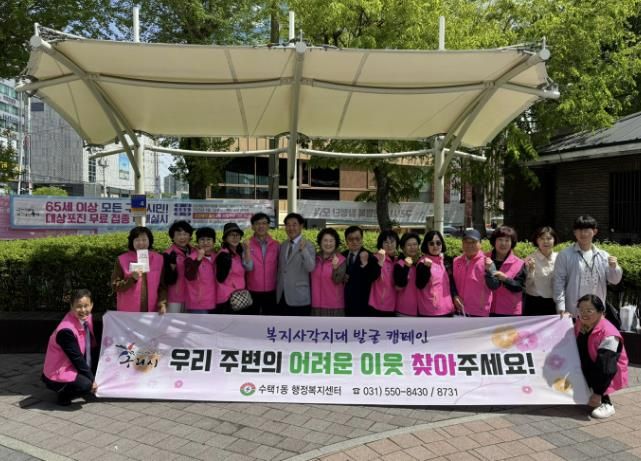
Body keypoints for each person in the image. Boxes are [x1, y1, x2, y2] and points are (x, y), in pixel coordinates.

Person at [553, 215, 623, 316]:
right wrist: (561, 307)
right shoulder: (565, 255)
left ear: (595, 231)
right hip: (573, 310)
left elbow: (614, 280)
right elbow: (559, 282)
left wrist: (614, 268)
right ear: (574, 232)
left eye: (586, 230)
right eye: (579, 230)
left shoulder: (603, 256)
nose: (583, 233)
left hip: (597, 310)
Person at [575, 294, 628, 418]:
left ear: (600, 312)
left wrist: (598, 393)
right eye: (581, 310)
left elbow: (606, 367)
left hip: (607, 369)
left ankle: (606, 403)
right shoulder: (580, 323)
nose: (584, 314)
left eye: (589, 310)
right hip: (589, 364)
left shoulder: (609, 334)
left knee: (601, 370)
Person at [42, 289, 97, 406]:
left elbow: (91, 345)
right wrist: (92, 380)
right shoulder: (66, 331)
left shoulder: (88, 317)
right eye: (79, 306)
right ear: (71, 306)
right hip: (58, 371)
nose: (83, 310)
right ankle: (63, 393)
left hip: (71, 364)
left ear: (92, 305)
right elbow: (76, 358)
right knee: (86, 386)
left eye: (86, 306)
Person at [111, 226, 167, 313]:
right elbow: (115, 286)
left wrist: (162, 303)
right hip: (128, 310)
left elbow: (162, 286)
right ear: (132, 242)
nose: (141, 243)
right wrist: (132, 279)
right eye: (137, 240)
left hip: (152, 310)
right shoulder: (122, 259)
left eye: (144, 240)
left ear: (149, 240)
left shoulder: (159, 259)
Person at [276, 213, 316, 316]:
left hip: (299, 297)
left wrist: (303, 250)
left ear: (301, 226)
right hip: (282, 295)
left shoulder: (308, 245)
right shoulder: (283, 245)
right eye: (288, 225)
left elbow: (311, 267)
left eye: (294, 225)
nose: (291, 228)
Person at [452, 229, 495, 317]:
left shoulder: (487, 262)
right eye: (466, 242)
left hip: (479, 313)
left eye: (473, 242)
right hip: (459, 311)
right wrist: (455, 296)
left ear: (480, 244)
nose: (469, 245)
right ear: (462, 243)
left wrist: (489, 271)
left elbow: (494, 285)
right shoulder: (456, 261)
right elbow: (452, 283)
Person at [244, 212, 279, 315]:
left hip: (271, 290)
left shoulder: (276, 245)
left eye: (264, 223)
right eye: (257, 223)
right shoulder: (246, 244)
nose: (261, 226)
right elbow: (248, 267)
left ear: (268, 225)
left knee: (270, 320)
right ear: (252, 226)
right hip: (252, 290)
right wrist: (247, 250)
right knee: (253, 320)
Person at [487, 225, 526, 316]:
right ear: (494, 241)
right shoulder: (484, 259)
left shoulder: (519, 263)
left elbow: (520, 287)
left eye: (507, 240)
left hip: (509, 311)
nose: (503, 243)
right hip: (485, 309)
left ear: (512, 243)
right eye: (500, 239)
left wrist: (505, 279)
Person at [416, 230, 455, 317]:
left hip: (448, 310)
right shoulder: (423, 263)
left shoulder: (444, 261)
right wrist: (426, 268)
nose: (435, 246)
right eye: (431, 243)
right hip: (431, 312)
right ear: (426, 245)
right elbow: (420, 285)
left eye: (438, 243)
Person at [343, 225, 379, 317]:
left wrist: (365, 265)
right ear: (346, 241)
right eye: (351, 239)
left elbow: (374, 276)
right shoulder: (342, 256)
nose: (354, 241)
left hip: (362, 305)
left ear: (362, 239)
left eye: (357, 238)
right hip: (343, 303)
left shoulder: (370, 256)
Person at [310, 228, 346, 316]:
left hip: (334, 307)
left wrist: (335, 268)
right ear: (320, 242)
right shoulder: (314, 258)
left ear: (336, 242)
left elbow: (337, 280)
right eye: (325, 240)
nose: (328, 244)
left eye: (331, 241)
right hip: (315, 305)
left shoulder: (341, 259)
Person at [523, 226, 558, 315]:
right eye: (542, 238)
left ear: (554, 240)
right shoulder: (530, 259)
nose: (545, 241)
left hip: (554, 302)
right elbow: (526, 285)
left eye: (549, 238)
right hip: (534, 303)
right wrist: (531, 270)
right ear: (537, 241)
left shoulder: (560, 258)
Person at [216, 222, 250, 314]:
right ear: (225, 238)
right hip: (227, 300)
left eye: (237, 235)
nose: (235, 237)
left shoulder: (237, 254)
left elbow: (249, 267)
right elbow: (220, 278)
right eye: (231, 235)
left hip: (238, 297)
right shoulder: (224, 255)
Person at [163, 220, 194, 313]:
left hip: (192, 296)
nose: (182, 237)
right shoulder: (168, 254)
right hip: (174, 297)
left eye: (185, 234)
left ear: (190, 236)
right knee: (172, 321)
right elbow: (167, 279)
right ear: (172, 237)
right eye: (178, 234)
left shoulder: (195, 252)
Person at [184, 227, 217, 314]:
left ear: (214, 242)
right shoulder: (191, 258)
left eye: (209, 239)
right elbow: (189, 276)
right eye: (202, 239)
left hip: (215, 302)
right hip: (198, 304)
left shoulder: (217, 257)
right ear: (197, 241)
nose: (205, 243)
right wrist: (198, 260)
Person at [368, 230, 399, 317]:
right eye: (386, 242)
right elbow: (371, 277)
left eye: (392, 242)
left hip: (394, 306)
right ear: (381, 244)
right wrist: (380, 262)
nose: (389, 245)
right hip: (377, 306)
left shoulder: (398, 260)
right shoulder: (375, 258)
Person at [394, 232, 421, 316]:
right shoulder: (399, 264)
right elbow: (398, 287)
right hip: (404, 311)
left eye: (415, 244)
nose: (412, 247)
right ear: (403, 248)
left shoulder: (422, 263)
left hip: (422, 310)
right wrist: (406, 267)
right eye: (409, 245)